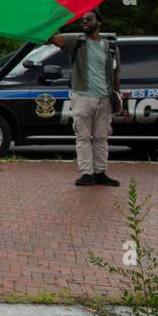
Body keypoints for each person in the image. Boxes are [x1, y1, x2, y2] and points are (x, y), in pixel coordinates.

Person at [51, 10, 122, 187]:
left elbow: (116, 73)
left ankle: (100, 172)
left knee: (101, 137)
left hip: (105, 98)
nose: (84, 22)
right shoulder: (77, 41)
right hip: (82, 96)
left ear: (99, 22)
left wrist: (116, 97)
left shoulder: (110, 47)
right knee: (83, 136)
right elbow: (54, 39)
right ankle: (86, 173)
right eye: (83, 20)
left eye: (88, 19)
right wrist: (53, 20)